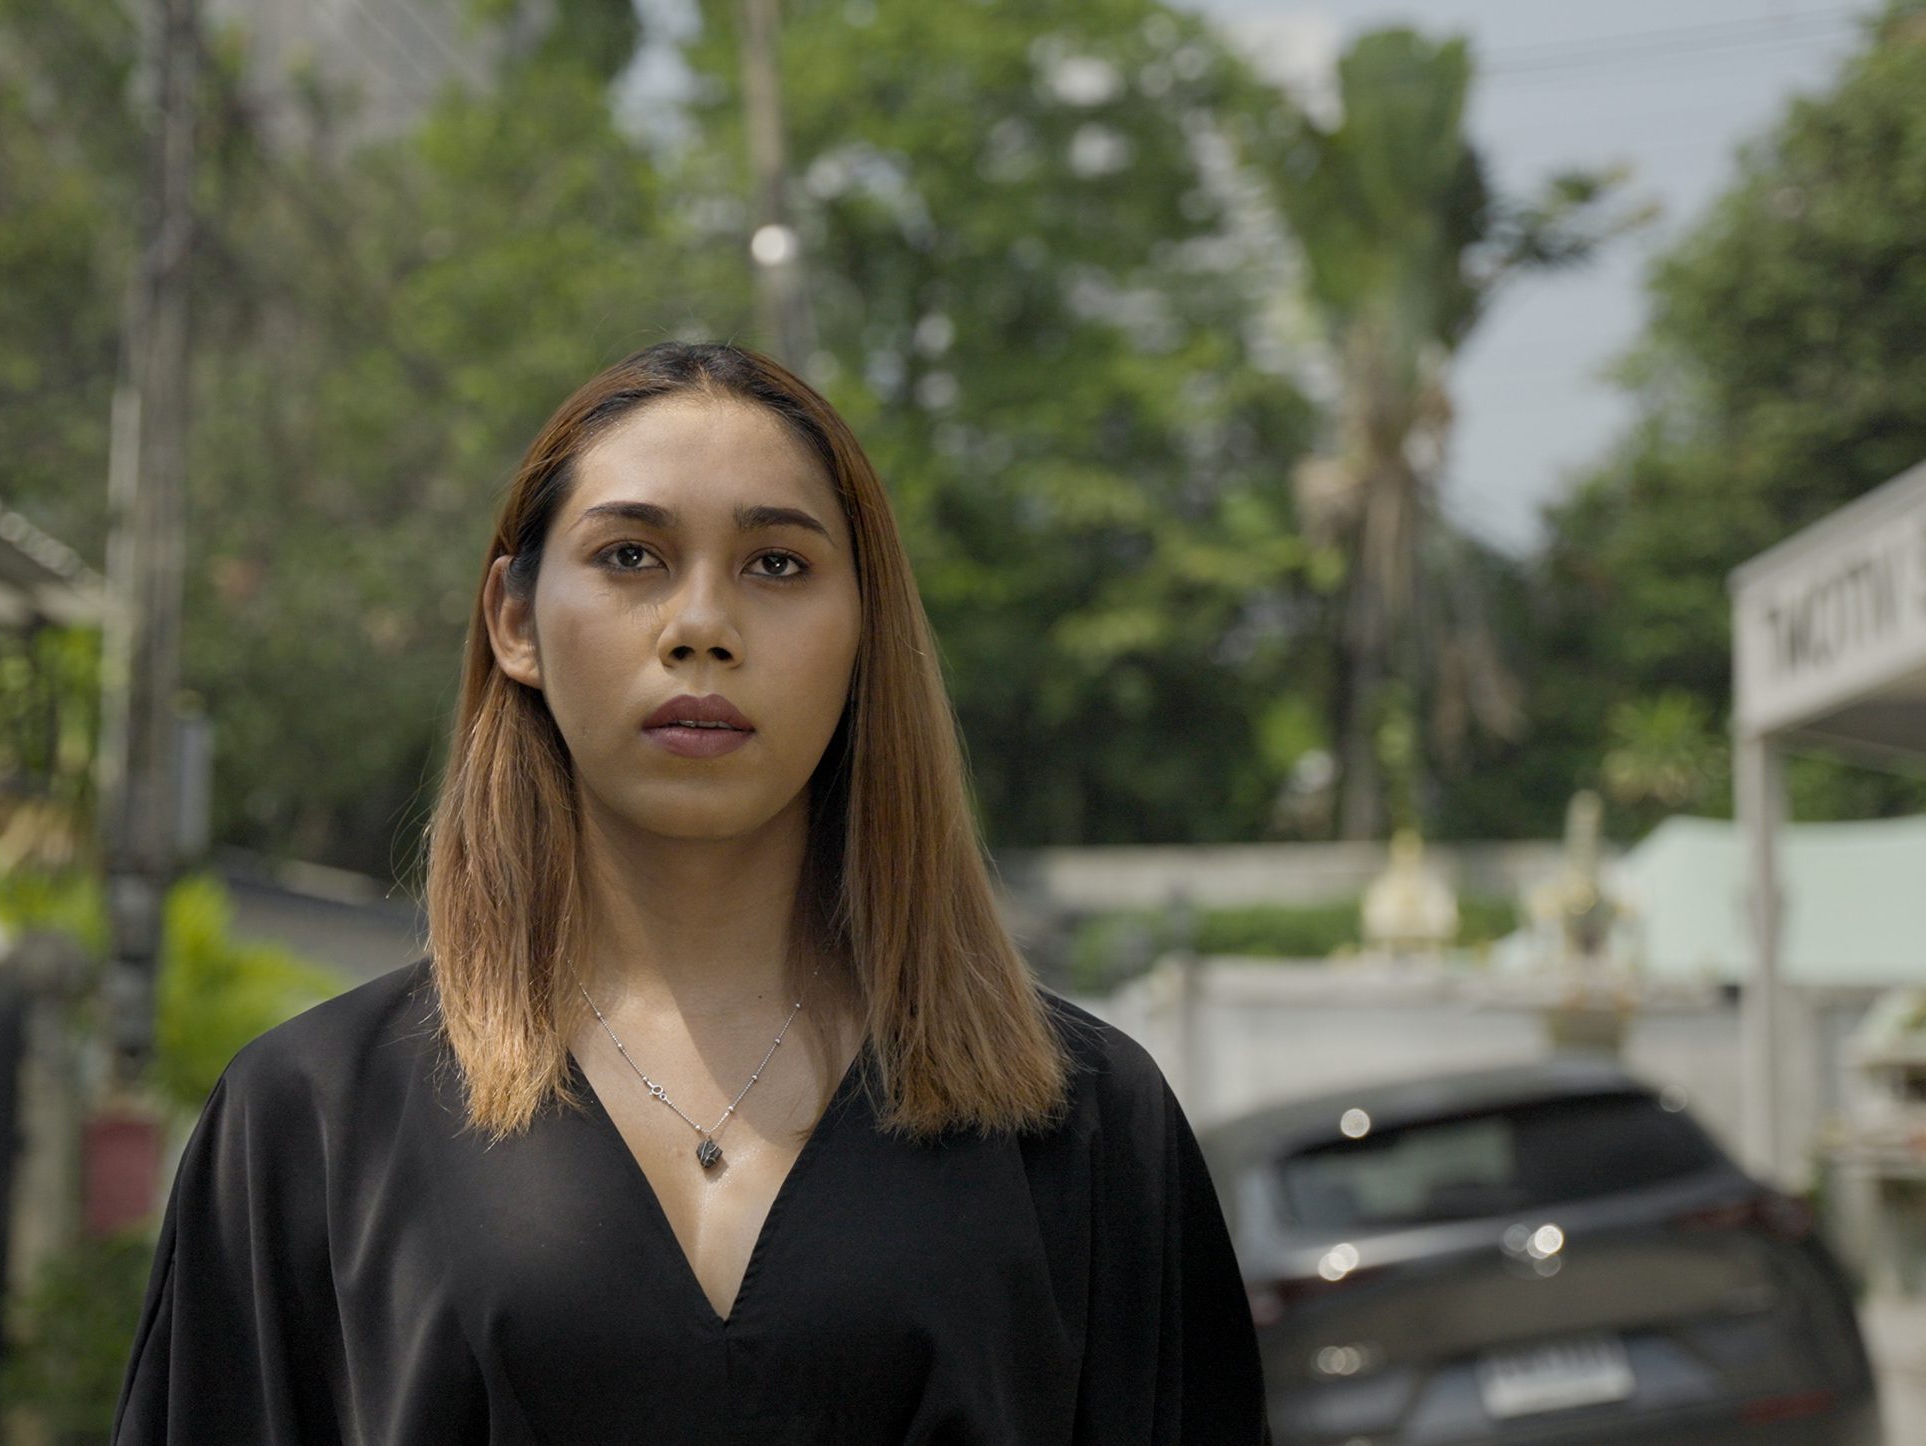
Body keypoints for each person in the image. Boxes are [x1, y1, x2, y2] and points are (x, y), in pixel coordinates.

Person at [111, 342, 1270, 1444]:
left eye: (777, 564)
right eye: (631, 557)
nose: (702, 627)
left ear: (864, 631)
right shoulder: (308, 1121)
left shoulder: (1081, 1127)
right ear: (514, 619)